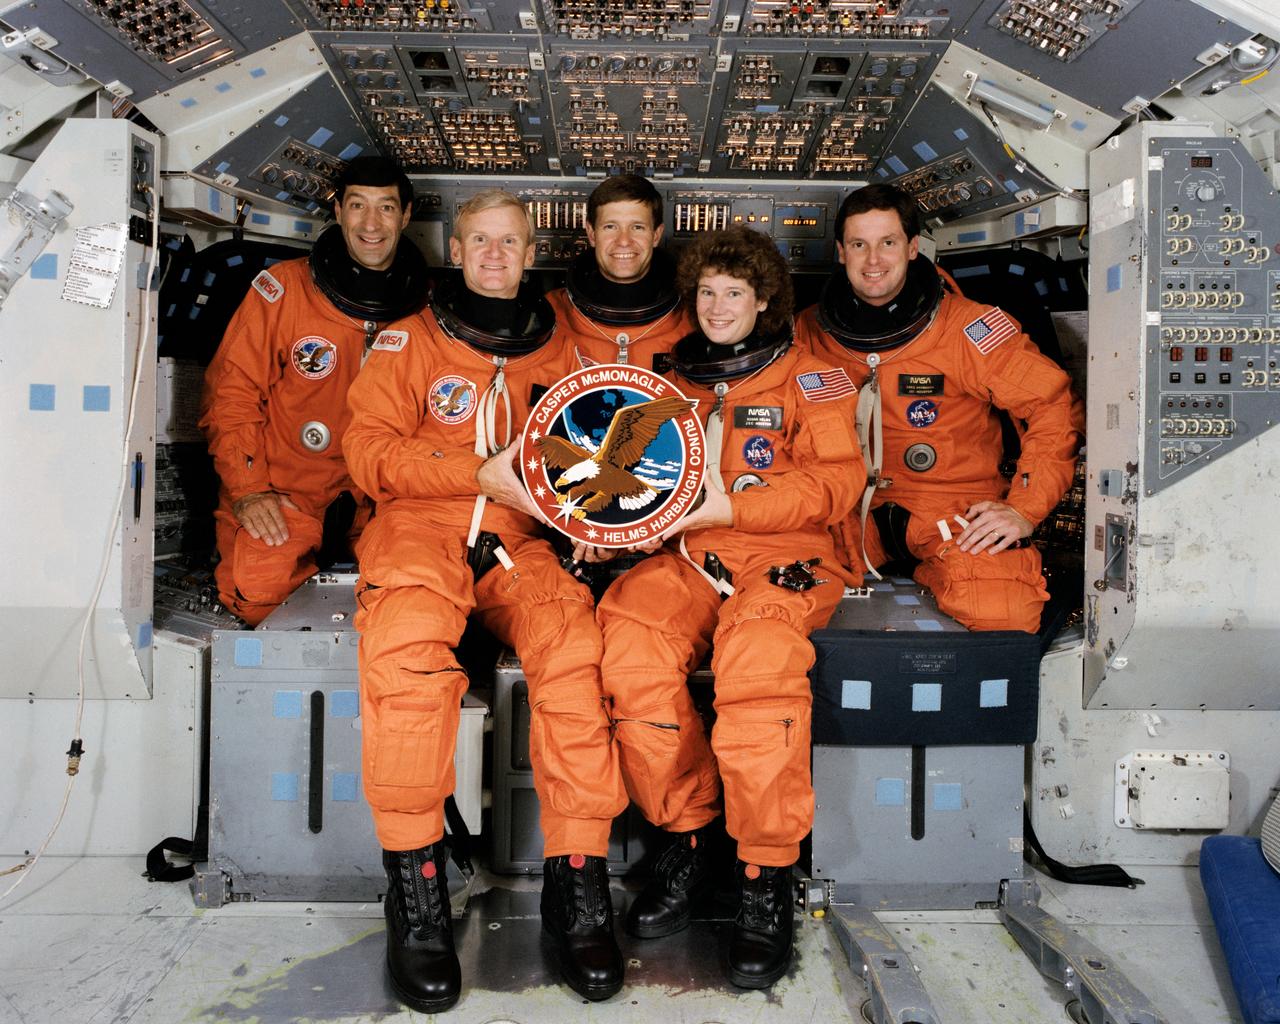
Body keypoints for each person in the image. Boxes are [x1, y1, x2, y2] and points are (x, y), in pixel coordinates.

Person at [343, 190, 628, 1011]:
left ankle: (576, 888)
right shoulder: (407, 343)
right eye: (480, 242)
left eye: (510, 241)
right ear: (456, 252)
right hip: (417, 530)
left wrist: (589, 521)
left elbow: (591, 458)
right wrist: (472, 474)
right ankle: (418, 894)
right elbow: (366, 454)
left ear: (529, 250)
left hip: (516, 542)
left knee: (574, 650)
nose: (496, 255)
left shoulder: (564, 356)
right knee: (405, 657)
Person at [595, 226, 865, 988]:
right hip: (687, 559)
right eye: (707, 292)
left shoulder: (815, 382)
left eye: (735, 293)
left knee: (757, 667)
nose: (717, 307)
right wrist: (602, 531)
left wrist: (731, 508)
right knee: (630, 643)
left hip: (785, 559)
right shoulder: (664, 383)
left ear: (766, 300)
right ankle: (687, 834)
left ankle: (764, 876)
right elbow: (624, 476)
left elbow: (836, 484)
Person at [796, 183, 1084, 632]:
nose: (873, 261)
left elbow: (1052, 406)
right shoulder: (808, 332)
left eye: (887, 243)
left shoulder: (970, 330)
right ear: (840, 252)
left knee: (1004, 612)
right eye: (859, 245)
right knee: (774, 586)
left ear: (912, 248)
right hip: (846, 511)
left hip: (951, 509)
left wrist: (1024, 508)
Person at [199, 155, 427, 625]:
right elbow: (232, 394)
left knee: (414, 596)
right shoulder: (283, 291)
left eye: (385, 208)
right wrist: (249, 489)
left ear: (405, 216)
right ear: (338, 210)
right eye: (357, 205)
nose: (371, 223)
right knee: (257, 592)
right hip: (286, 491)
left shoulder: (424, 308)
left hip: (380, 498)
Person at [547, 173, 691, 370]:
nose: (624, 240)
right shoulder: (550, 315)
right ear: (591, 234)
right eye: (610, 227)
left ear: (656, 235)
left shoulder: (692, 318)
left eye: (637, 227)